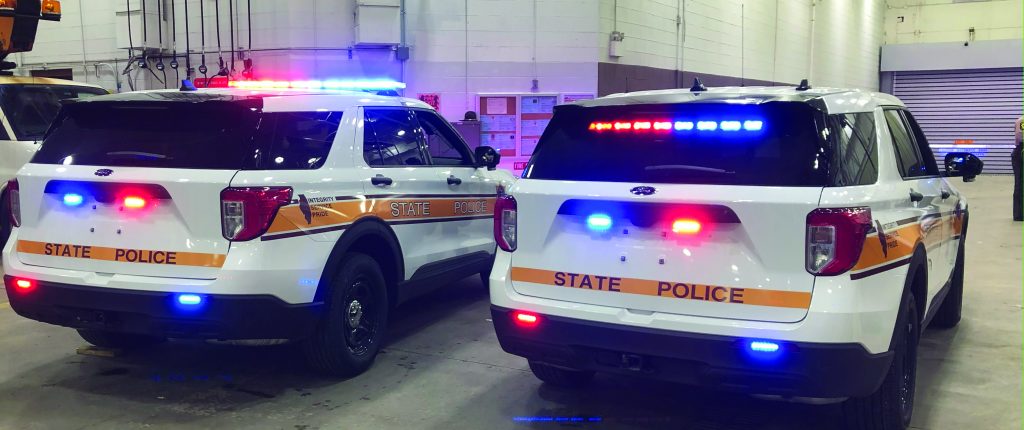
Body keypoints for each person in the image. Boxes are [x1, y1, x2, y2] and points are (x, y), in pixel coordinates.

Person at [1014, 116, 1023, 221]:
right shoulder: (1022, 121)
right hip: (1021, 152)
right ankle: (1019, 214)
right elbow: (1019, 137)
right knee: (1020, 183)